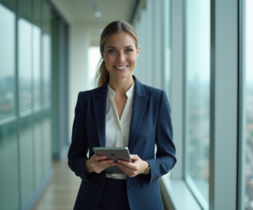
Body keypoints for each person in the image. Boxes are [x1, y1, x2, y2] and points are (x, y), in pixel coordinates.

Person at [68, 20, 176, 210]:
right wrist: (88, 166)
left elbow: (168, 157)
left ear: (137, 52)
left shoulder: (157, 99)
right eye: (112, 51)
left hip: (143, 199)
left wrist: (146, 167)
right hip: (95, 199)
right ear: (102, 54)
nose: (121, 59)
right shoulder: (86, 101)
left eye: (128, 50)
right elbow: (74, 157)